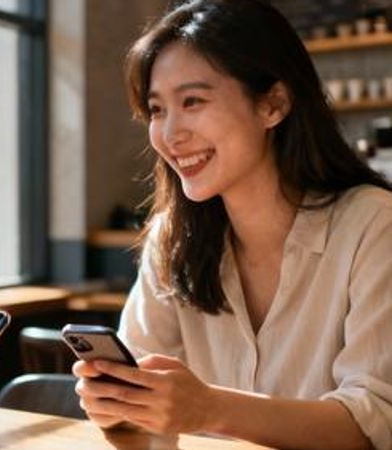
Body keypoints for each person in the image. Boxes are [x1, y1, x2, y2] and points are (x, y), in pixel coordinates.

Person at [73, 1, 392, 449]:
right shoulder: (171, 238)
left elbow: (374, 424)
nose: (169, 134)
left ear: (273, 104)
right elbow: (139, 400)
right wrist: (115, 404)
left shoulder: (375, 225)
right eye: (157, 109)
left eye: (193, 101)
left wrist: (210, 409)